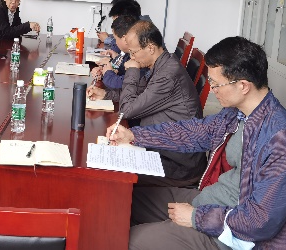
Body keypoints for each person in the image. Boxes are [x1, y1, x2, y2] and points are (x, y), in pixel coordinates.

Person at [108, 36, 286, 250]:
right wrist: (134, 136)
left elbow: (259, 221)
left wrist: (196, 217)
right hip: (210, 202)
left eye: (216, 84)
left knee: (127, 240)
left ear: (243, 86)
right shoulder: (238, 114)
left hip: (230, 234)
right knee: (121, 199)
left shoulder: (282, 141)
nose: (212, 89)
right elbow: (195, 131)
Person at [88, 20, 206, 185]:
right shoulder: (163, 63)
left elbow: (126, 110)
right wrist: (106, 94)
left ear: (150, 48)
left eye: (133, 52)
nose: (131, 57)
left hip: (177, 164)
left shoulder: (168, 75)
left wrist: (132, 70)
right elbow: (139, 93)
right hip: (162, 148)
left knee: (107, 174)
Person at [91, 15, 140, 90]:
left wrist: (107, 73)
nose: (115, 42)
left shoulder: (139, 57)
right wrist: (105, 70)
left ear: (124, 39)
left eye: (116, 39)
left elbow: (122, 84)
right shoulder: (129, 52)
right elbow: (123, 70)